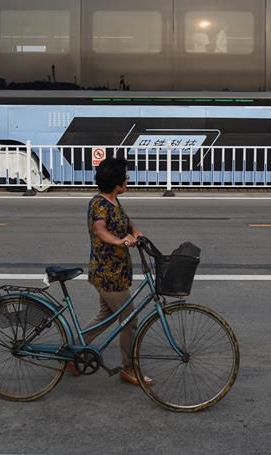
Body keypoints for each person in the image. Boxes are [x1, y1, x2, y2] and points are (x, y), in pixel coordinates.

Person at [77, 156, 152, 386]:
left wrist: (136, 232)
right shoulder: (99, 204)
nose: (127, 181)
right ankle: (128, 369)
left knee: (106, 317)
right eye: (125, 178)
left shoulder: (114, 201)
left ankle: (74, 352)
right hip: (107, 273)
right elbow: (100, 230)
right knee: (129, 320)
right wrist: (120, 242)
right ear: (116, 182)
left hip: (117, 272)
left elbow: (126, 223)